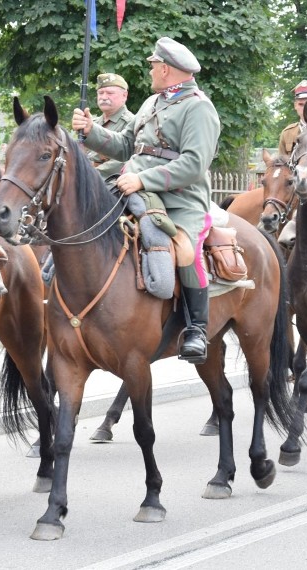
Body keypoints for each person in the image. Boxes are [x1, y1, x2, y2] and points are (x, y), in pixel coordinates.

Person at [71, 36, 220, 364]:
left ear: (166, 69)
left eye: (153, 66)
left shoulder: (198, 107)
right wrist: (91, 131)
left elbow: (195, 164)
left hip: (181, 199)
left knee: (183, 249)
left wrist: (143, 178)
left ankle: (196, 329)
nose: (150, 71)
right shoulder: (152, 104)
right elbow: (127, 145)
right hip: (132, 189)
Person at [85, 72, 135, 179]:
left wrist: (90, 174)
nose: (103, 97)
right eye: (100, 93)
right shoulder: (92, 123)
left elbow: (127, 159)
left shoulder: (132, 123)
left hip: (111, 182)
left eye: (110, 93)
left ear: (124, 95)